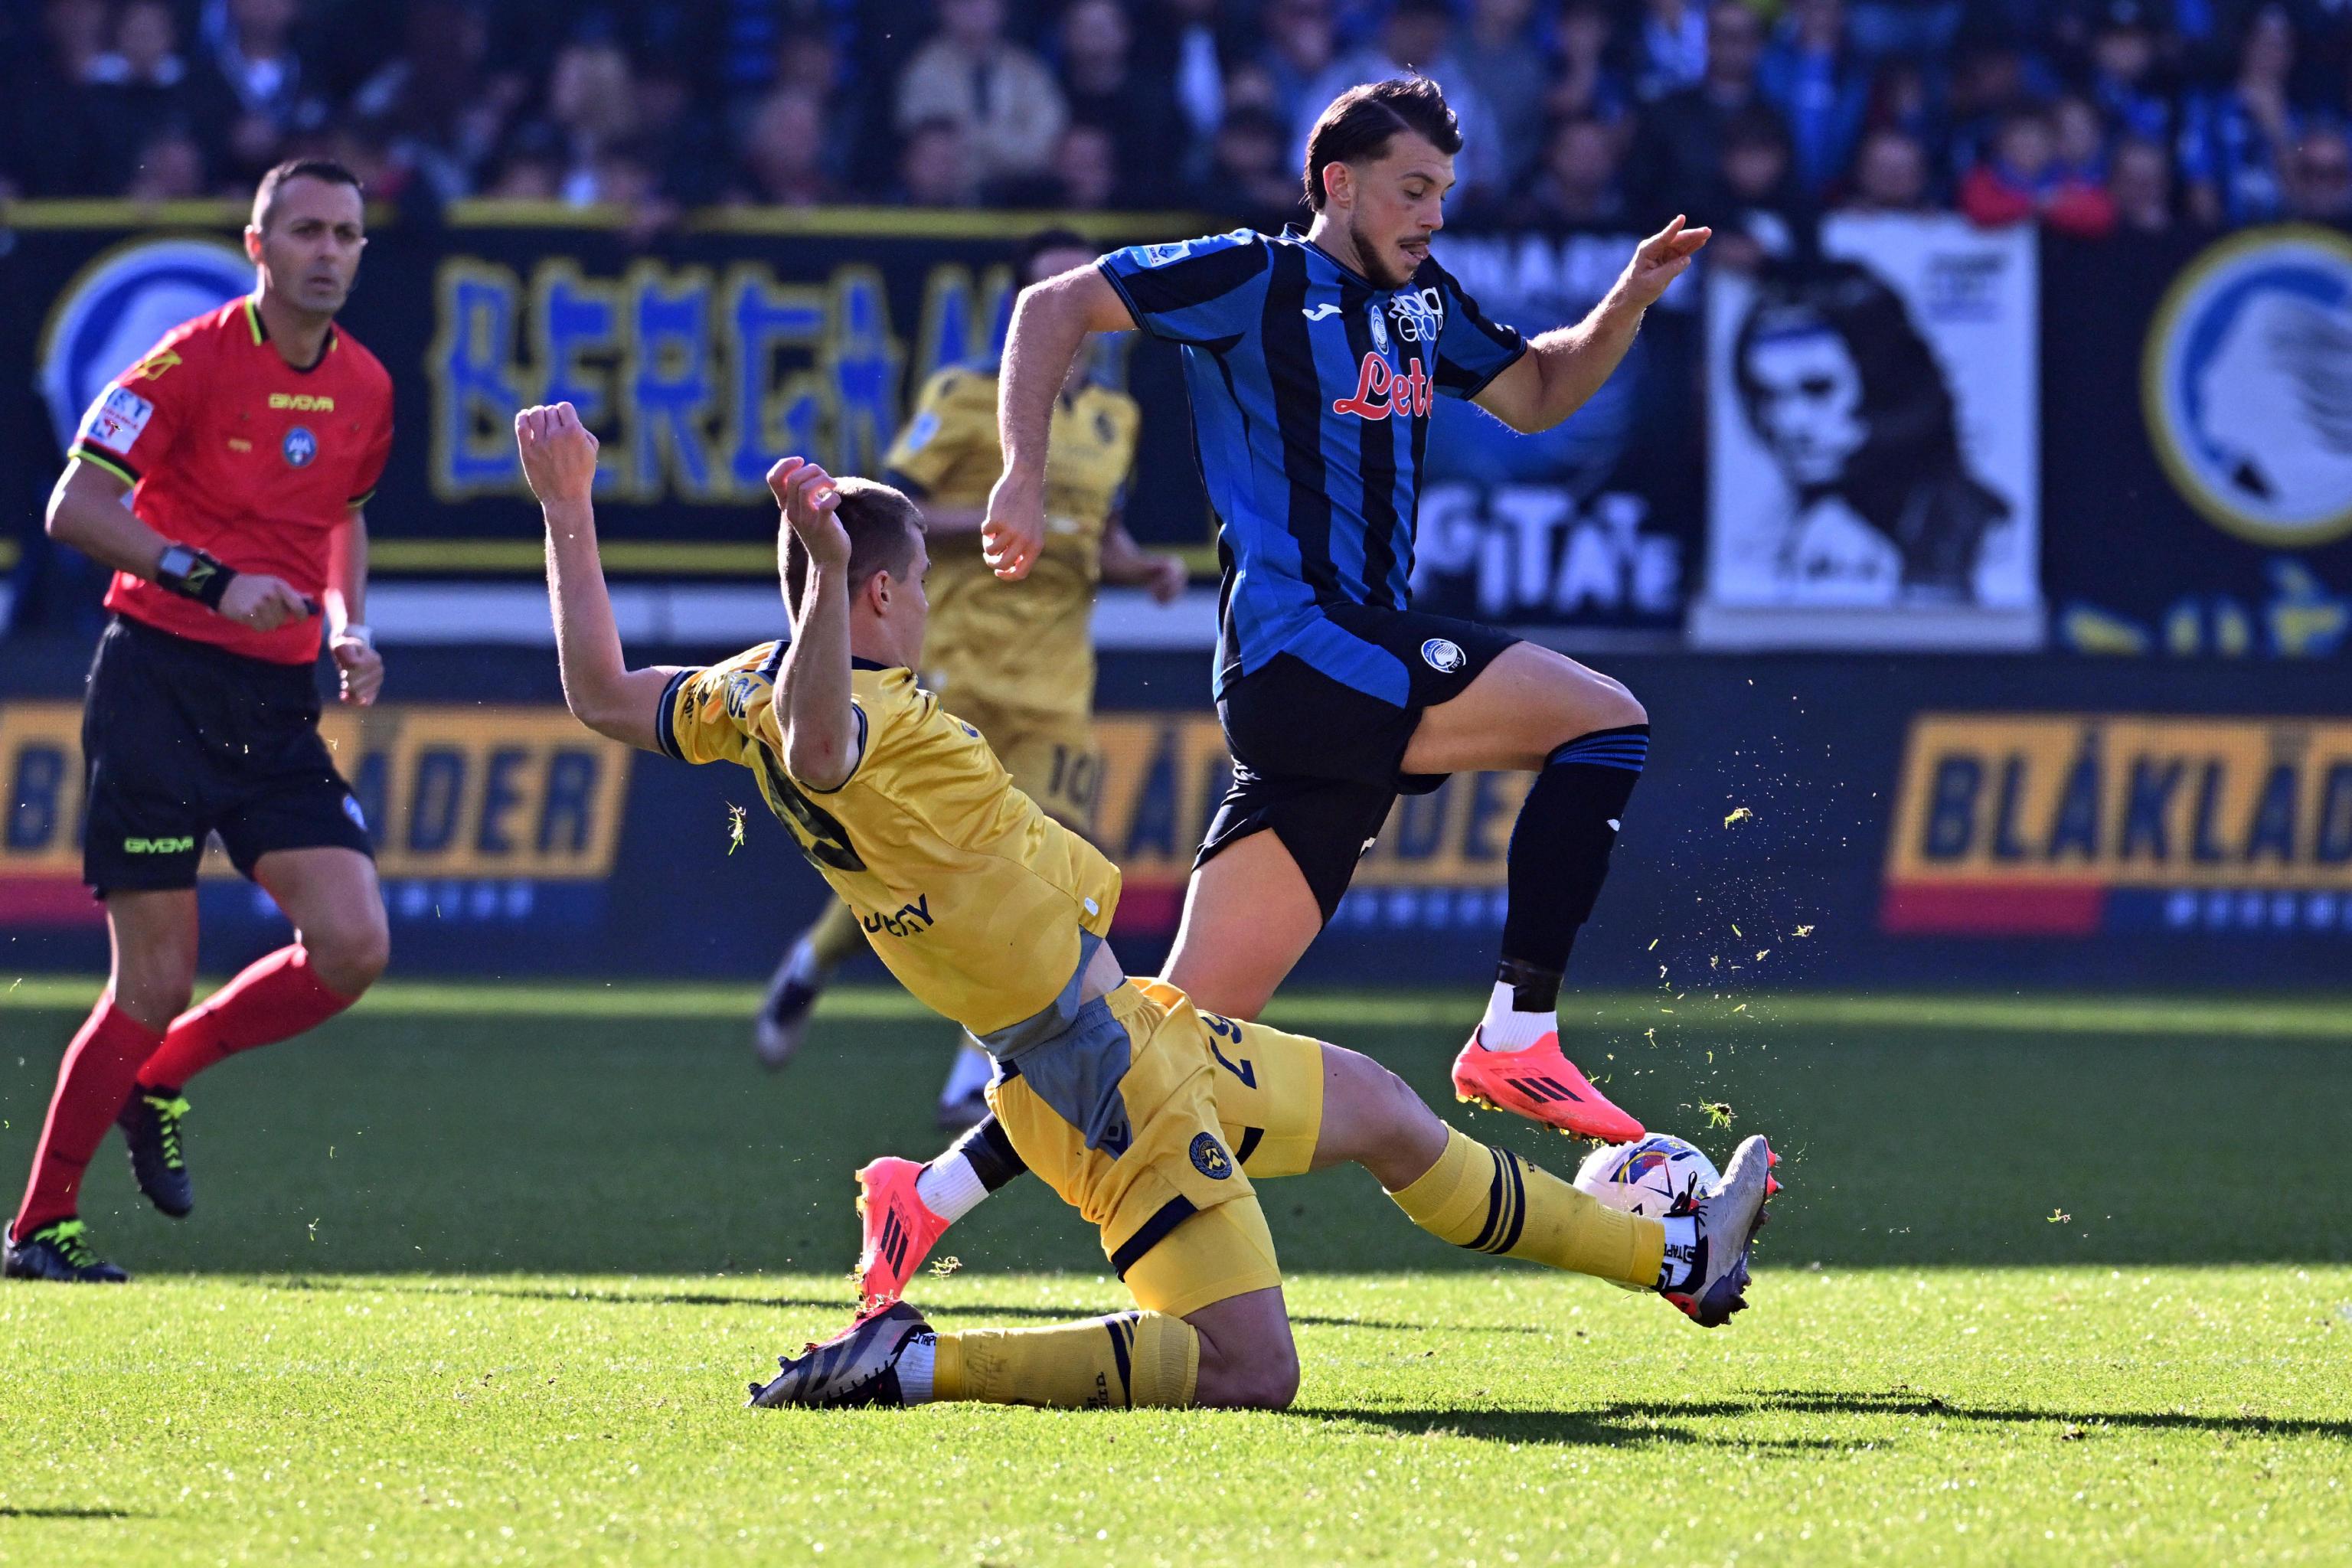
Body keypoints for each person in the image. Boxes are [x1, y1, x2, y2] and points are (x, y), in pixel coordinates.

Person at [510, 403, 1777, 1410]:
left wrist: (569, 509)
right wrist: (836, 569)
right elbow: (824, 744)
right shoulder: (847, 716)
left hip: (1129, 1029)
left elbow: (603, 694)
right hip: (1105, 1078)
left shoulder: (743, 689)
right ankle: (912, 1363)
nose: (938, 603)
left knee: (1390, 1113)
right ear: (887, 594)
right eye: (923, 586)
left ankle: (1680, 1259)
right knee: (1247, 1370)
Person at [854, 74, 1707, 1313]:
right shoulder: (1252, 278)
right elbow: (1053, 305)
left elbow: (1535, 393)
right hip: (1308, 646)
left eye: (1445, 193)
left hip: (1332, 682)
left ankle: (920, 1197)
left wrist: (1625, 299)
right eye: (1412, 189)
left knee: (1167, 1038)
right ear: (1335, 183)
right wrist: (1022, 479)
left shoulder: (1417, 303)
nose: (1432, 214)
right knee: (1603, 718)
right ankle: (1516, 1029)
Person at [4, 159, 393, 1284]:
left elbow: (343, 523)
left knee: (355, 943)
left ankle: (161, 1075)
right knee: (152, 977)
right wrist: (206, 578)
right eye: (307, 231)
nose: (330, 252)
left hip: (275, 703)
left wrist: (348, 625)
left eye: (348, 235)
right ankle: (40, 1231)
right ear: (258, 244)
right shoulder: (186, 363)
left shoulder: (366, 385)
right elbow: (72, 506)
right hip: (158, 686)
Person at [756, 230, 1189, 1127]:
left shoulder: (1117, 422)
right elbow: (883, 514)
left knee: (1044, 876)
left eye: (1080, 295)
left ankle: (970, 1080)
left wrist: (1140, 566)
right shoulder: (965, 397)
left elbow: (1093, 533)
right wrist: (998, 510)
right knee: (939, 871)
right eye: (1045, 293)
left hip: (1057, 681)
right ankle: (814, 960)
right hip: (955, 664)